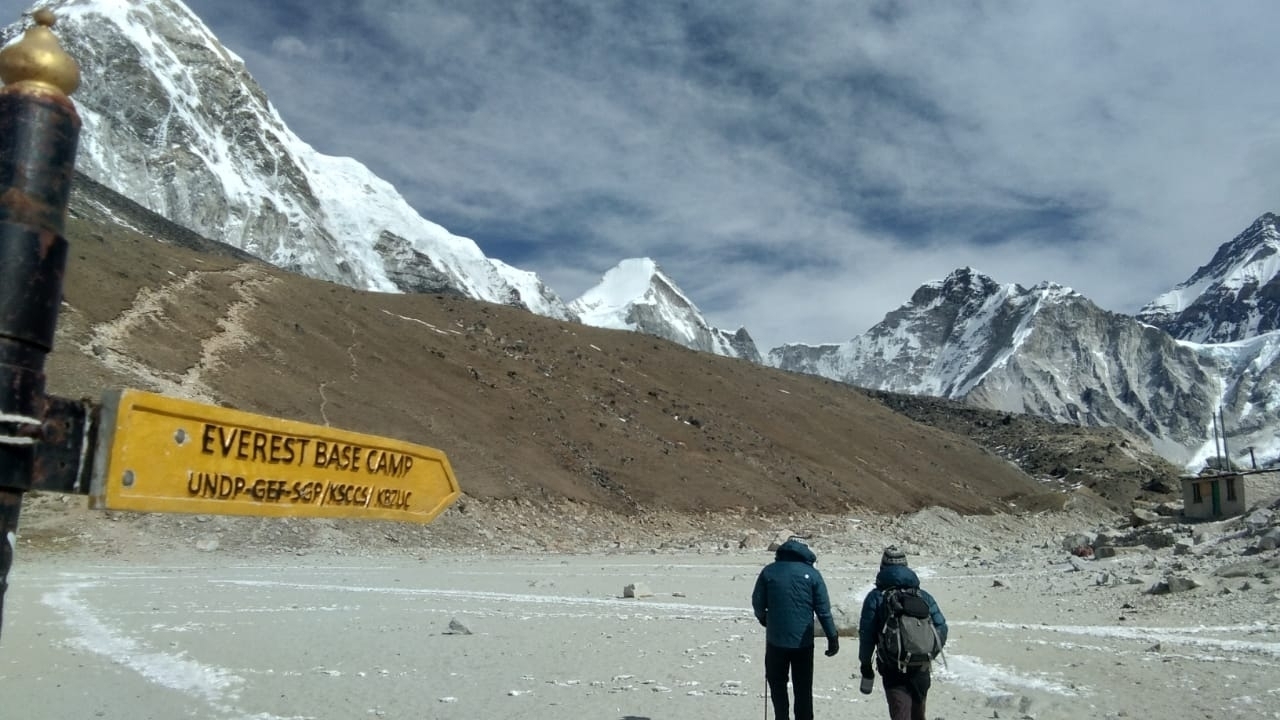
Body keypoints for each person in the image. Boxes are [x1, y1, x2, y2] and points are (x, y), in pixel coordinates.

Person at [752, 537, 840, 720]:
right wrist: (832, 637)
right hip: (803, 642)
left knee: (777, 686)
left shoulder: (769, 572)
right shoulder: (812, 574)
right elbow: (823, 611)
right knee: (803, 689)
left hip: (776, 640)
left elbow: (758, 602)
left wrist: (764, 619)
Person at [858, 546, 948, 720]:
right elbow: (942, 627)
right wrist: (928, 652)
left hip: (893, 667)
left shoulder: (876, 597)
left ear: (882, 567)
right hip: (921, 667)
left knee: (900, 714)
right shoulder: (923, 595)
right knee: (918, 714)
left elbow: (866, 635)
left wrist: (865, 664)